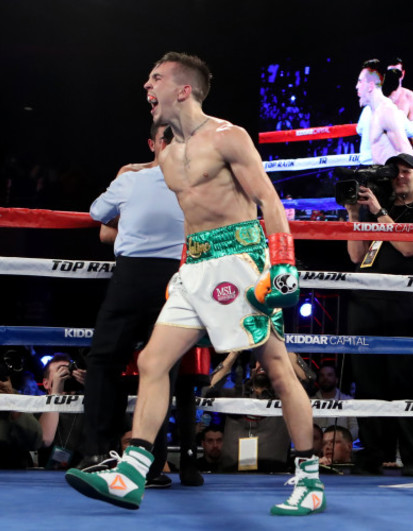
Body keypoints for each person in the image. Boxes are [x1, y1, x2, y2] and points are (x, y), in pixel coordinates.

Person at [66, 52, 325, 516]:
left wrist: (283, 263)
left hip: (242, 260)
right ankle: (131, 473)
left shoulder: (229, 136)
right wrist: (130, 176)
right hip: (193, 266)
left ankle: (309, 480)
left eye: (156, 78)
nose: (147, 85)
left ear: (183, 89)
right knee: (152, 360)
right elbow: (166, 209)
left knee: (280, 370)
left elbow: (268, 197)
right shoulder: (163, 157)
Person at [82, 122, 202, 488]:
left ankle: (99, 453)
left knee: (104, 361)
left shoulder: (132, 179)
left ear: (155, 144)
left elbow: (96, 217)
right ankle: (151, 464)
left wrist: (130, 206)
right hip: (177, 280)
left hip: (133, 276)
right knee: (161, 370)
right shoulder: (197, 184)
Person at [344, 153, 413, 476]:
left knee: (404, 382)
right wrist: (353, 215)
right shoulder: (378, 214)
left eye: (406, 172)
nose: (399, 177)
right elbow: (357, 256)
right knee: (368, 383)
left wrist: (379, 212)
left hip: (403, 301)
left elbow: (408, 247)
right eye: (394, 173)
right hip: (366, 301)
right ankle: (372, 454)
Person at [355, 59, 413, 165]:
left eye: (360, 81)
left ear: (371, 86)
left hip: (382, 174)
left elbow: (406, 151)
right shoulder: (370, 110)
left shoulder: (387, 111)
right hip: (372, 171)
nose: (356, 86)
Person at [37, 353, 87, 469]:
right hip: (47, 475)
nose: (66, 373)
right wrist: (56, 393)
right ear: (46, 383)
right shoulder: (38, 404)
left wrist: (91, 386)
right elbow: (45, 439)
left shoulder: (87, 401)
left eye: (69, 370)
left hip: (84, 472)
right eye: (60, 370)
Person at [312, 363, 358, 440]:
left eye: (329, 375)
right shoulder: (310, 402)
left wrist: (342, 440)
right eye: (322, 375)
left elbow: (354, 428)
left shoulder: (347, 401)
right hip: (316, 447)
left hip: (341, 448)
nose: (325, 378)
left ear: (336, 380)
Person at [383, 58, 413, 145]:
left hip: (401, 150)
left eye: (397, 73)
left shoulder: (409, 96)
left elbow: (412, 137)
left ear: (403, 74)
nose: (394, 77)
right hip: (382, 150)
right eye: (391, 74)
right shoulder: (380, 97)